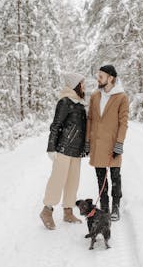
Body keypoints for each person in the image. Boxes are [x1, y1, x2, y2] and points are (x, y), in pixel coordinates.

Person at [40, 72, 87, 230]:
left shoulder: (81, 104)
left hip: (76, 150)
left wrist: (85, 147)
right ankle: (47, 211)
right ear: (75, 85)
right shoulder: (65, 101)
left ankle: (68, 212)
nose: (84, 86)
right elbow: (56, 125)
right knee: (57, 180)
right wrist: (51, 147)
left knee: (73, 182)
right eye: (82, 83)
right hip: (64, 148)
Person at [85, 65, 128, 221]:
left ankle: (115, 206)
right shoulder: (95, 95)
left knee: (115, 177)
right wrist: (87, 141)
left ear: (111, 78)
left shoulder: (121, 97)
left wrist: (119, 143)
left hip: (112, 144)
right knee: (100, 178)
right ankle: (105, 207)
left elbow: (123, 122)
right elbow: (90, 119)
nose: (98, 78)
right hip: (97, 144)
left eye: (101, 76)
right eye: (98, 75)